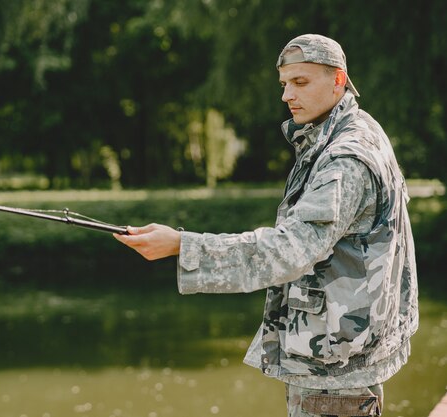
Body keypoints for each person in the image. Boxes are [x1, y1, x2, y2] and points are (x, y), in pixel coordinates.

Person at [114, 34, 418, 417]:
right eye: (284, 83)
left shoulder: (346, 158)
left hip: (335, 373)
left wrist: (183, 246)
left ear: (338, 80)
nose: (287, 95)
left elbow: (287, 252)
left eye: (301, 82)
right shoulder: (353, 129)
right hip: (345, 353)